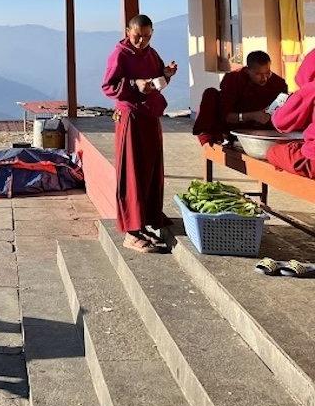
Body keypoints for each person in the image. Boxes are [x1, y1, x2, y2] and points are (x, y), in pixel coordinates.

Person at [102, 13, 178, 254]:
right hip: (131, 117)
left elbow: (156, 82)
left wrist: (166, 74)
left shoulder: (152, 53)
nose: (141, 42)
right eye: (137, 36)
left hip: (150, 116)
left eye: (146, 36)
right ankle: (131, 231)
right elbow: (108, 87)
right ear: (127, 32)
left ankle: (147, 218)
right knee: (132, 171)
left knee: (152, 169)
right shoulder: (120, 54)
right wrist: (134, 85)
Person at [193, 51, 288, 146]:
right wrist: (253, 115)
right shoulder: (233, 79)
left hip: (263, 128)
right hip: (234, 125)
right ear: (247, 70)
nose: (264, 78)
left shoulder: (278, 83)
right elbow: (224, 116)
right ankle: (207, 140)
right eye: (258, 74)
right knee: (210, 93)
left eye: (267, 73)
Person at [266, 48, 315, 178]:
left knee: (273, 152)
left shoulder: (309, 89)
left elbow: (281, 122)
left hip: (312, 162)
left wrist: (278, 109)